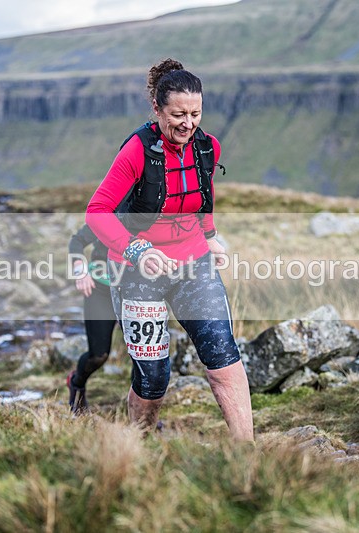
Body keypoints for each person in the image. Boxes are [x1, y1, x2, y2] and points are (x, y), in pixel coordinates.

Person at [85, 58, 254, 441]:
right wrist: (136, 251)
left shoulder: (207, 147)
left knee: (222, 356)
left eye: (195, 114)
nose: (187, 123)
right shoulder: (136, 151)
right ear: (157, 109)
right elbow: (97, 212)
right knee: (154, 377)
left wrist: (209, 235)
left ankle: (248, 455)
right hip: (136, 271)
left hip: (193, 264)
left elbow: (202, 194)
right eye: (178, 114)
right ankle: (140, 444)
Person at [65, 224, 117, 413]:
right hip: (100, 290)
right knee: (98, 356)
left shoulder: (156, 213)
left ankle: (144, 415)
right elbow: (77, 241)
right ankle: (76, 384)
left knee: (141, 354)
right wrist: (80, 270)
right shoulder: (111, 211)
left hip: (137, 292)